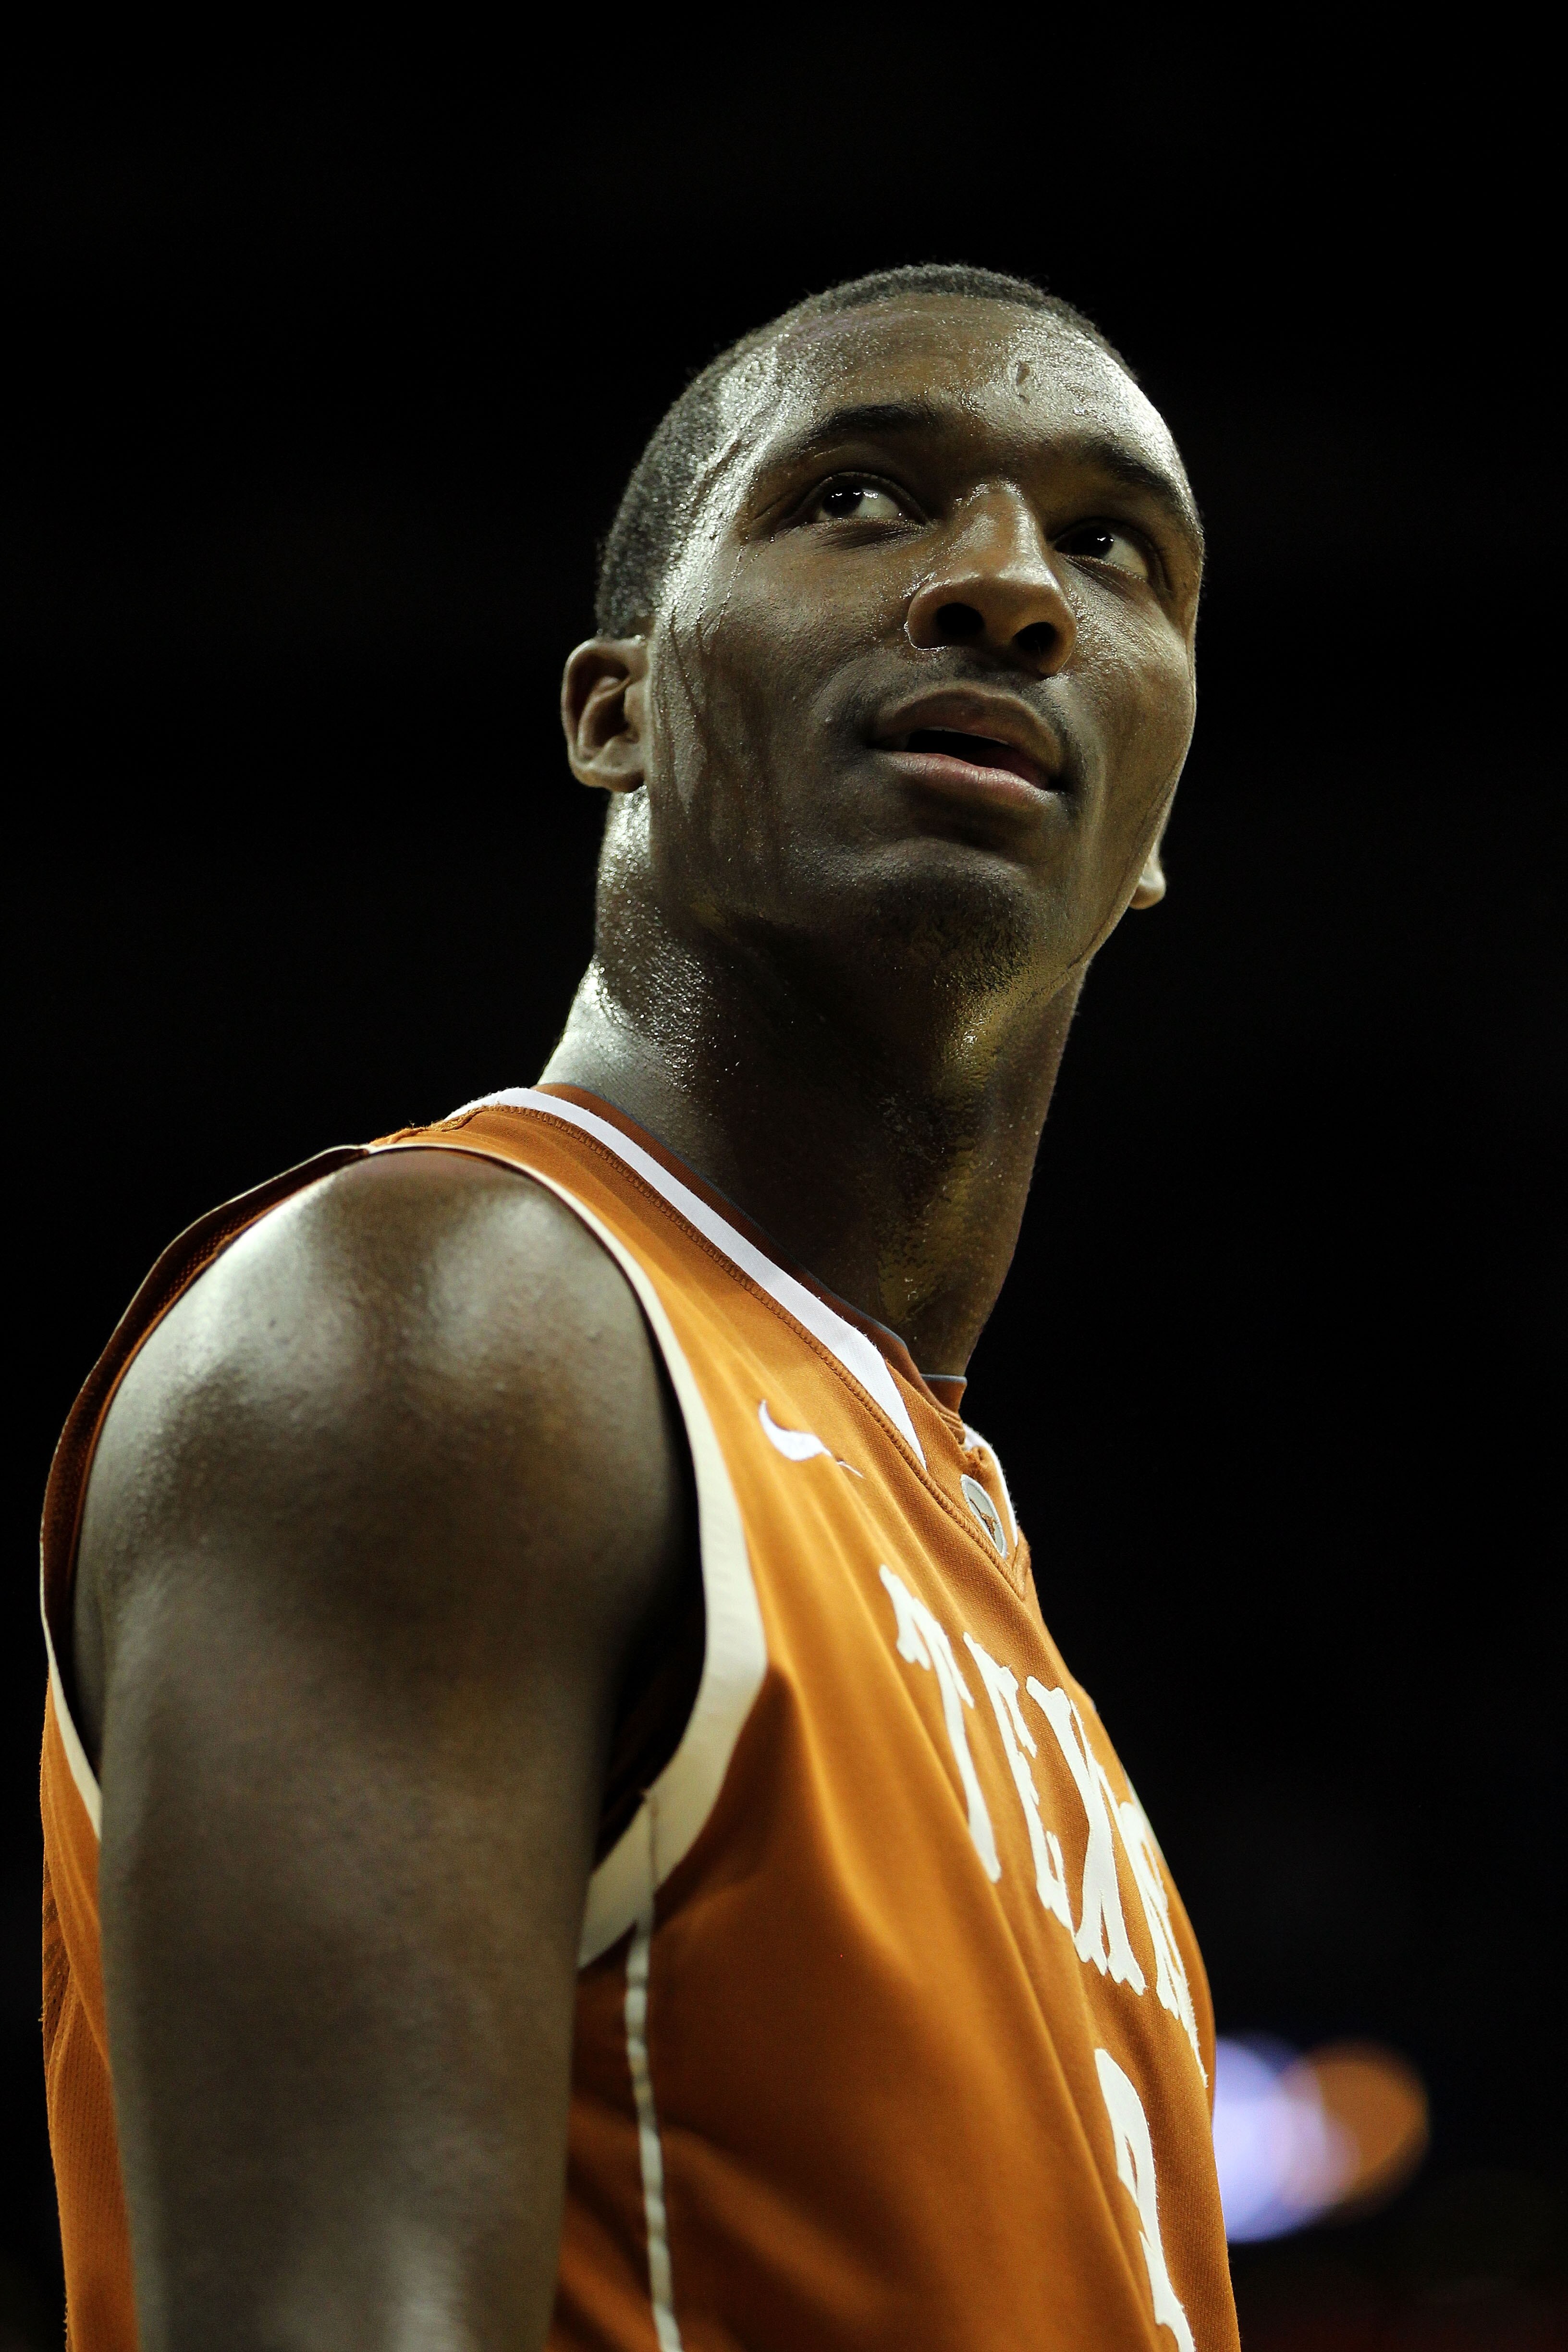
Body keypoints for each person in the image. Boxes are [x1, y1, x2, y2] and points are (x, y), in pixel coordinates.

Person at [39, 262, 1236, 2351]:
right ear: (613, 711)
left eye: (1111, 544)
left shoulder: (964, 1555)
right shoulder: (441, 1326)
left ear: (1150, 838)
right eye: (861, 498)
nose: (1005, 587)